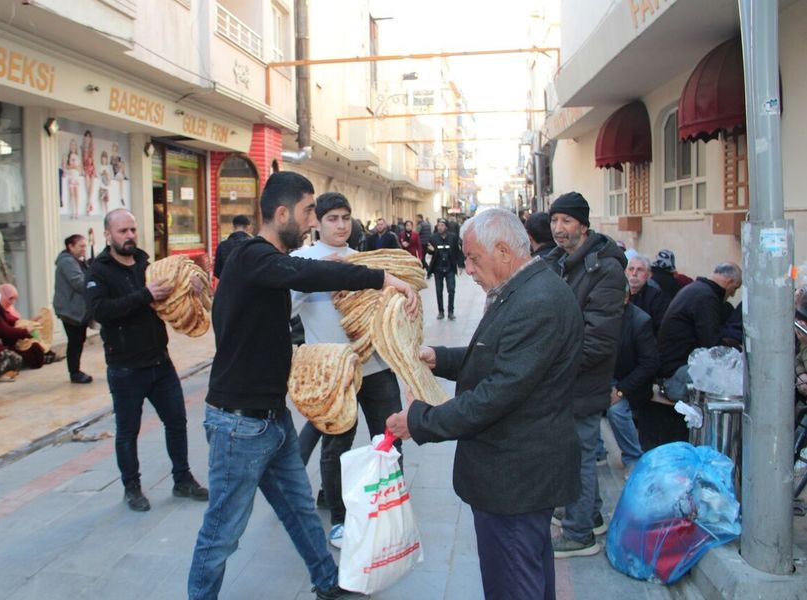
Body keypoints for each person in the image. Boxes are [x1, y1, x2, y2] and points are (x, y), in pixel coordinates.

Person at [187, 171, 417, 600]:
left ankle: (328, 585)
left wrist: (324, 266)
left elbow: (297, 270)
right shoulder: (254, 257)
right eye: (309, 211)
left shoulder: (259, 260)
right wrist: (382, 278)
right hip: (238, 426)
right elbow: (301, 274)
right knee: (222, 534)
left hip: (271, 421)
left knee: (300, 512)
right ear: (281, 213)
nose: (314, 221)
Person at [386, 207, 582, 600]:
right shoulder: (524, 289)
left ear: (505, 252)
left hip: (515, 478)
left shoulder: (538, 302)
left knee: (513, 581)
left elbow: (496, 395)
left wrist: (420, 420)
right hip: (517, 475)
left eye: (473, 258)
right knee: (528, 571)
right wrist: (439, 357)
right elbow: (497, 356)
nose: (468, 269)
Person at [290, 192, 404, 549]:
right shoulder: (303, 261)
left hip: (376, 368)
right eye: (332, 219)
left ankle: (387, 509)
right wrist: (326, 275)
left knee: (389, 440)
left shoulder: (367, 261)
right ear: (317, 223)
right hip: (333, 373)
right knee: (335, 446)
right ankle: (339, 519)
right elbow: (285, 307)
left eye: (345, 218)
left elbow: (391, 310)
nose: (341, 225)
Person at [85, 208, 209, 512]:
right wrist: (145, 294)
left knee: (177, 421)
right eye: (122, 231)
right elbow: (101, 311)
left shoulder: (145, 263)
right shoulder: (98, 272)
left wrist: (191, 288)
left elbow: (168, 297)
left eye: (132, 230)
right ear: (107, 235)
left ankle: (182, 478)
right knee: (128, 432)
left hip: (160, 361)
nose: (129, 236)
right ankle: (132, 487)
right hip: (125, 366)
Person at [544, 192, 626, 558]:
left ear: (584, 225)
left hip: (582, 380)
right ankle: (588, 515)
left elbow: (598, 340)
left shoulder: (605, 269)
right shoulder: (560, 260)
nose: (559, 229)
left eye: (566, 221)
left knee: (578, 456)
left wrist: (553, 368)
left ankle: (579, 534)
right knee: (572, 452)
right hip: (565, 379)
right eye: (554, 221)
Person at [656, 262, 743, 412]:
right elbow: (712, 346)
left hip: (670, 371)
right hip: (676, 377)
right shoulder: (706, 298)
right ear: (728, 282)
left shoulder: (696, 290)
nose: (733, 294)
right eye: (734, 289)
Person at [602, 283, 656, 467]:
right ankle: (596, 452)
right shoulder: (601, 317)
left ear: (625, 298)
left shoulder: (640, 322)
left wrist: (620, 391)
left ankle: (634, 459)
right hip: (604, 378)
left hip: (631, 382)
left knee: (616, 411)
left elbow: (649, 364)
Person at [53, 234, 92, 384]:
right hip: (70, 309)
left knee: (77, 340)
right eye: (81, 246)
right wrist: (94, 282)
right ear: (70, 246)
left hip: (74, 308)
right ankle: (75, 373)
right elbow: (78, 283)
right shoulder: (68, 262)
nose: (84, 249)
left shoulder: (74, 261)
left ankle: (75, 371)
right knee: (75, 341)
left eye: (85, 246)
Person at [0, 283, 55, 369]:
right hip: (13, 341)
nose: (12, 302)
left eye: (14, 299)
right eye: (10, 298)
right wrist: (24, 330)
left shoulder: (10, 309)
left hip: (21, 336)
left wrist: (31, 322)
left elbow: (18, 323)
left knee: (41, 346)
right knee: (36, 349)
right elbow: (6, 330)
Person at [427, 219, 464, 320]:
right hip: (438, 268)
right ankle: (441, 312)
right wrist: (430, 250)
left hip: (450, 268)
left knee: (451, 290)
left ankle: (450, 311)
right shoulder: (433, 238)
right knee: (439, 291)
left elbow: (458, 252)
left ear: (446, 227)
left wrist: (461, 265)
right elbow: (429, 251)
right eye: (438, 225)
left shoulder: (453, 237)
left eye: (442, 225)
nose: (440, 227)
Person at [626, 255, 670, 336]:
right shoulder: (617, 295)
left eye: (640, 270)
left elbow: (662, 329)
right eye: (631, 269)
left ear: (649, 275)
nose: (634, 273)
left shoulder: (658, 298)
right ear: (625, 272)